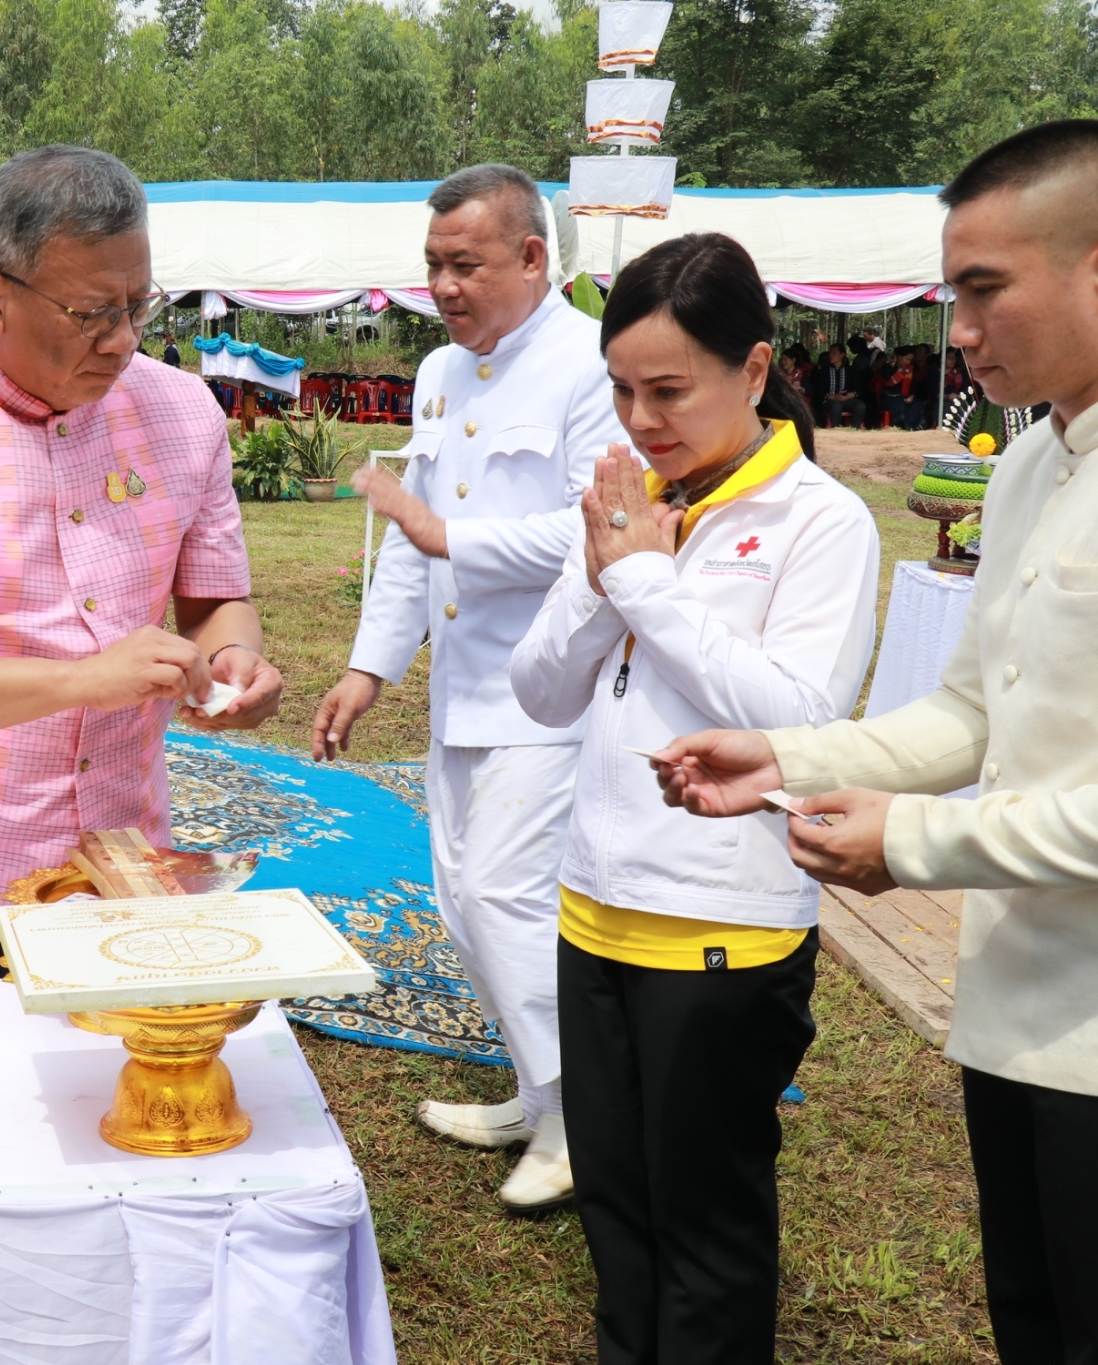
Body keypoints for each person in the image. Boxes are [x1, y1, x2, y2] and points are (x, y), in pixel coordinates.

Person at [652, 120, 1098, 1365]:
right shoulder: (1024, 467)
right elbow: (968, 711)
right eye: (951, 289)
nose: (955, 328)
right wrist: (793, 761)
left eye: (982, 289)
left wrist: (911, 840)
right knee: (1036, 1320)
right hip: (1018, 1008)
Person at [508, 233, 879, 1364]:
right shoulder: (635, 505)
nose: (640, 418)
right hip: (592, 905)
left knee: (705, 1222)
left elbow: (796, 715)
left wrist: (642, 580)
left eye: (666, 389)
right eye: (620, 390)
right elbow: (537, 688)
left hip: (722, 922)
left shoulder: (821, 521)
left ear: (754, 371)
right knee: (616, 1210)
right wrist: (599, 568)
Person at [0, 144, 284, 981]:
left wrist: (231, 658)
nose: (124, 340)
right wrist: (84, 678)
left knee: (113, 1095)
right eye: (93, 311)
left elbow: (216, 599)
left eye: (141, 306)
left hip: (123, 858)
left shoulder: (182, 414)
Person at [311, 164, 623, 1212]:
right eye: (432, 266)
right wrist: (367, 667)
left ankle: (582, 1115)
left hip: (554, 685)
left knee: (504, 892)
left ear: (531, 259)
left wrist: (442, 532)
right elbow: (410, 552)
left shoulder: (592, 368)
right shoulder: (440, 372)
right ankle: (534, 1091)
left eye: (465, 265)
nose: (442, 286)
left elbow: (597, 529)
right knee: (459, 899)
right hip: (463, 688)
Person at [814, 345, 864, 428]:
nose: (830, 355)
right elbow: (818, 391)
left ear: (842, 355)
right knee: (836, 406)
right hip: (829, 401)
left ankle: (854, 430)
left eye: (834, 353)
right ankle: (836, 429)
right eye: (830, 353)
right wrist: (833, 396)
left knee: (860, 406)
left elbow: (858, 389)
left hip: (847, 400)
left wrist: (849, 395)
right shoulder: (823, 371)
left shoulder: (850, 371)